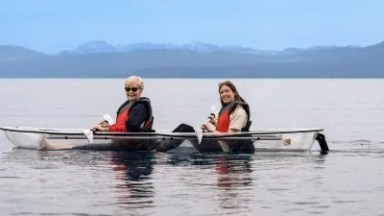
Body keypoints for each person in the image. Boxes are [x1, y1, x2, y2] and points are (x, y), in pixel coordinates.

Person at [200, 80, 254, 153]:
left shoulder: (239, 112)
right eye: (221, 92)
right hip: (219, 144)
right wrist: (215, 122)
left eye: (227, 91)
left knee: (184, 128)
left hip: (226, 149)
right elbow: (224, 129)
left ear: (234, 93)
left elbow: (231, 138)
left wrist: (212, 129)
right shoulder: (226, 110)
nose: (224, 94)